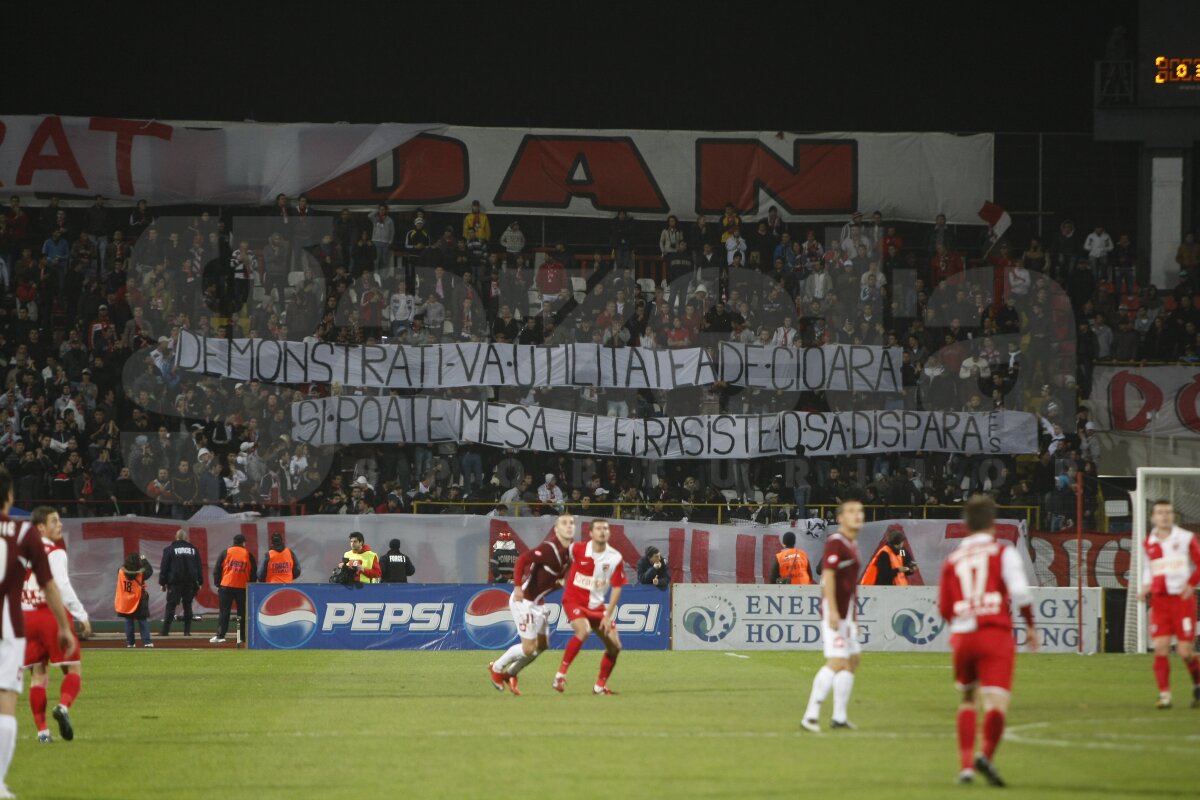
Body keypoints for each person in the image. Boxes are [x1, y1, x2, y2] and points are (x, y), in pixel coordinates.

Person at [938, 495, 1037, 787]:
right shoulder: (1002, 553)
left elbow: (944, 607)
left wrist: (958, 629)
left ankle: (966, 767)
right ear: (993, 524)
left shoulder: (953, 559)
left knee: (968, 699)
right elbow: (1021, 594)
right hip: (994, 633)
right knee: (996, 703)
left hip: (964, 636)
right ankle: (986, 755)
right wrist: (1031, 627)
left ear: (966, 525)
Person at [0, 469, 75, 795]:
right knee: (5, 701)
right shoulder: (23, 532)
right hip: (8, 626)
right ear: (11, 496)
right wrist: (63, 625)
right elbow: (49, 585)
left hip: (17, 627)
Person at [20, 506, 90, 743]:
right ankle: (63, 707)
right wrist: (81, 614)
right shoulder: (54, 552)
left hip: (25, 617)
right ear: (41, 527)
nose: (59, 525)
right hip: (50, 615)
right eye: (54, 521)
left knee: (38, 676)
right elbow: (60, 584)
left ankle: (42, 732)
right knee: (73, 669)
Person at [488, 514, 576, 694]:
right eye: (564, 524)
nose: (569, 526)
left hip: (538, 604)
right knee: (529, 648)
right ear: (557, 529)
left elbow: (562, 580)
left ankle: (511, 673)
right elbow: (522, 560)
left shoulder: (569, 553)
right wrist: (518, 587)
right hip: (524, 601)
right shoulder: (548, 548)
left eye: (572, 523)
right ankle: (496, 668)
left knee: (542, 646)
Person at [801, 498, 865, 732]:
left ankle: (839, 716)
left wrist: (854, 617)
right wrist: (834, 612)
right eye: (851, 511)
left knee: (852, 660)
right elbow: (828, 576)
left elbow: (851, 586)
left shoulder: (852, 545)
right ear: (840, 518)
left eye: (860, 511)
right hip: (834, 610)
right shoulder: (836, 542)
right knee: (838, 660)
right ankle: (810, 715)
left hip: (846, 612)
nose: (857, 515)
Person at [1138, 499, 1200, 710]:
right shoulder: (1148, 542)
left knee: (1184, 652)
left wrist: (1191, 584)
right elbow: (1150, 568)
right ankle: (1164, 696)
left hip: (1182, 602)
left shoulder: (1185, 538)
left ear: (1173, 516)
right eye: (1160, 512)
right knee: (1161, 648)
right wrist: (1146, 586)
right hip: (1160, 601)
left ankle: (1198, 684)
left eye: (1168, 512)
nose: (1164, 515)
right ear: (1153, 517)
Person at [553, 519, 626, 695]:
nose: (602, 531)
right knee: (583, 631)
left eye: (606, 529)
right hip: (574, 600)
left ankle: (599, 687)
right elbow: (565, 561)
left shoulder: (615, 557)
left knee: (615, 647)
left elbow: (617, 588)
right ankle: (560, 675)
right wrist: (562, 576)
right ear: (591, 533)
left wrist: (607, 615)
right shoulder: (577, 548)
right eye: (599, 528)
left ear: (609, 533)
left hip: (597, 607)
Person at [210, 533, 256, 643]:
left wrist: (218, 584)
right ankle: (241, 637)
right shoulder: (248, 554)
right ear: (243, 543)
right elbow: (253, 573)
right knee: (242, 613)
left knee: (224, 612)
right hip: (242, 587)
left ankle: (221, 636)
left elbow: (217, 570)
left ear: (234, 542)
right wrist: (249, 585)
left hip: (226, 586)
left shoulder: (226, 552)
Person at [159, 529, 203, 636]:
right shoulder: (194, 550)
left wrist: (162, 583)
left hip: (174, 582)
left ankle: (165, 631)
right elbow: (199, 567)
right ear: (186, 538)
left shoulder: (169, 549)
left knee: (171, 605)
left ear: (176, 537)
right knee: (188, 606)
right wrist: (200, 582)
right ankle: (187, 632)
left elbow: (164, 567)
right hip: (190, 582)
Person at [114, 553, 154, 648]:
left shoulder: (120, 571)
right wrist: (144, 560)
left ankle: (130, 643)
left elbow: (124, 568)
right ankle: (147, 642)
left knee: (128, 621)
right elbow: (150, 570)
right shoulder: (141, 574)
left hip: (126, 601)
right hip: (139, 599)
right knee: (142, 621)